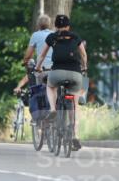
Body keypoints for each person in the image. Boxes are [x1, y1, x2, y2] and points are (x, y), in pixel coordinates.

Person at [36, 14, 87, 151]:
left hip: (57, 72)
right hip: (75, 73)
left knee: (50, 86)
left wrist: (38, 67)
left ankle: (53, 109)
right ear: (68, 26)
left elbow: (42, 55)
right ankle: (75, 135)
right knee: (74, 106)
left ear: (56, 26)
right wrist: (85, 66)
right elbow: (83, 54)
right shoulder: (75, 37)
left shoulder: (52, 37)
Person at [13, 14, 54, 95]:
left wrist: (25, 61)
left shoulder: (35, 35)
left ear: (38, 24)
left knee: (32, 71)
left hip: (41, 70)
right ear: (49, 24)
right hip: (55, 69)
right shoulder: (55, 34)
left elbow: (28, 56)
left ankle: (33, 95)